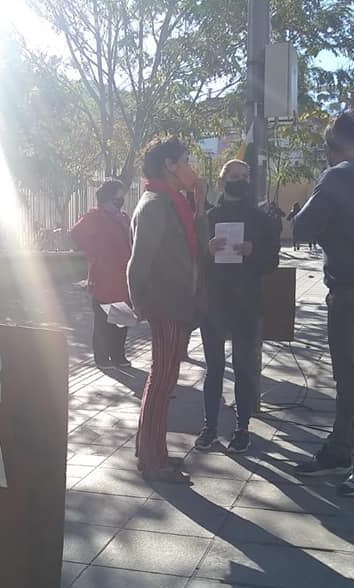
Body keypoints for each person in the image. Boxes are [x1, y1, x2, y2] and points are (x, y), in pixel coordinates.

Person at [292, 112, 354, 497]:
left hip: (351, 289)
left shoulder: (337, 176)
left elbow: (302, 228)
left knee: (351, 377)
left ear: (330, 142)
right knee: (350, 374)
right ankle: (339, 450)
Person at [127, 136, 207, 482]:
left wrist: (199, 203)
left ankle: (153, 453)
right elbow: (137, 262)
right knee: (161, 380)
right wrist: (140, 302)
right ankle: (151, 457)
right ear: (170, 165)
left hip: (176, 301)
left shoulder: (173, 201)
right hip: (164, 302)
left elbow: (193, 248)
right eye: (186, 160)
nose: (191, 167)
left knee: (165, 379)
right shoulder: (156, 203)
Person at [194, 159, 279, 454]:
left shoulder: (261, 219)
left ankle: (242, 428)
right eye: (234, 175)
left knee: (243, 368)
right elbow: (194, 263)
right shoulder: (208, 217)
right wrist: (207, 251)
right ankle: (210, 427)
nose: (240, 180)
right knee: (214, 367)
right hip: (214, 302)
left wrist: (253, 252)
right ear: (222, 181)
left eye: (244, 175)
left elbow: (271, 263)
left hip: (246, 302)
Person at [70, 178, 133, 369]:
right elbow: (76, 234)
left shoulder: (124, 218)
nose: (120, 201)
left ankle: (118, 355)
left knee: (121, 320)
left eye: (122, 198)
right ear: (106, 197)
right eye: (117, 197)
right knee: (103, 322)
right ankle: (102, 358)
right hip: (104, 277)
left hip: (123, 277)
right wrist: (94, 254)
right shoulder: (95, 217)